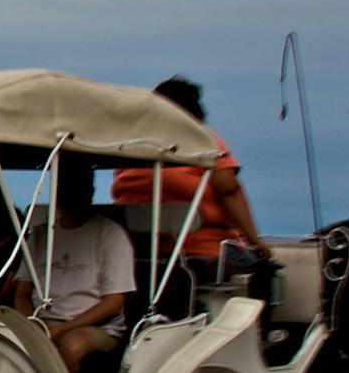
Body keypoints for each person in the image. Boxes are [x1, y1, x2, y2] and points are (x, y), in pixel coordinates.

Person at [110, 75, 273, 275]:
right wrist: (255, 240)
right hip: (201, 249)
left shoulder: (128, 147)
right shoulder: (203, 142)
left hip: (139, 253)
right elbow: (230, 191)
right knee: (266, 271)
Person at [14, 162, 136, 373]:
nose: (66, 196)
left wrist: (60, 330)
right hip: (41, 322)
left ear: (89, 192)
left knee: (73, 344)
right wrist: (30, 323)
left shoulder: (110, 234)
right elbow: (22, 292)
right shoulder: (40, 235)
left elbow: (114, 302)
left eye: (74, 188)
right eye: (62, 189)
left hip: (94, 327)